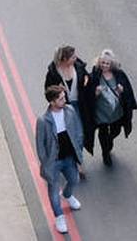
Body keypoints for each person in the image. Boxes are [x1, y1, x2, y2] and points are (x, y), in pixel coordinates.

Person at [35, 85, 84, 234]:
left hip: (69, 157)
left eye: (64, 97)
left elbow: (78, 131)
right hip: (54, 162)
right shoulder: (43, 121)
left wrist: (79, 149)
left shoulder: (70, 111)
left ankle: (67, 195)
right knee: (54, 192)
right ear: (52, 102)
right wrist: (46, 163)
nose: (65, 100)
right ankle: (59, 217)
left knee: (74, 179)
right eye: (61, 99)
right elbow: (40, 145)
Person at [81, 48, 137, 168]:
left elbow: (128, 91)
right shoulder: (94, 76)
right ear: (99, 62)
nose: (105, 65)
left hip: (117, 112)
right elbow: (87, 95)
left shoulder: (119, 74)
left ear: (112, 64)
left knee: (116, 131)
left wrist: (121, 91)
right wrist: (95, 93)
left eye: (107, 63)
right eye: (103, 62)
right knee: (103, 134)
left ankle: (109, 142)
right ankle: (105, 153)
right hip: (101, 113)